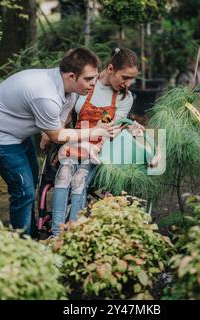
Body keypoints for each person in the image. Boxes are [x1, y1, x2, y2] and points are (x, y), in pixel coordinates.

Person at [0, 48, 113, 238]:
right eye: (89, 79)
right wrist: (95, 131)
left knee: (31, 178)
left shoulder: (70, 89)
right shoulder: (46, 95)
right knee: (24, 191)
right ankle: (24, 244)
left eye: (95, 77)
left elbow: (58, 125)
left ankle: (29, 230)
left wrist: (49, 137)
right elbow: (56, 135)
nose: (94, 83)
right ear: (72, 76)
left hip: (16, 133)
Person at [47, 47, 143, 237]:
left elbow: (110, 129)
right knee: (64, 174)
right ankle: (56, 234)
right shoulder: (87, 84)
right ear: (110, 69)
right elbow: (66, 114)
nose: (128, 83)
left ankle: (74, 234)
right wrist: (50, 131)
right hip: (75, 143)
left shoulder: (125, 98)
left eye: (132, 79)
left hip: (101, 149)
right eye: (125, 77)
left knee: (80, 179)